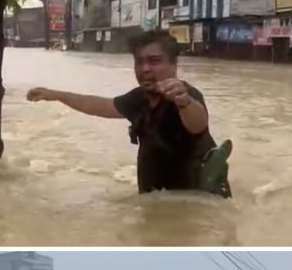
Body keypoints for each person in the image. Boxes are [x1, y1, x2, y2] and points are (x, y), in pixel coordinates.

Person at [27, 30, 233, 197]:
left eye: (154, 61)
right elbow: (98, 105)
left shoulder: (187, 96)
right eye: (139, 62)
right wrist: (55, 94)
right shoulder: (139, 98)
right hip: (157, 203)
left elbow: (198, 124)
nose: (145, 69)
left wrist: (184, 101)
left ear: (174, 65)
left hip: (194, 207)